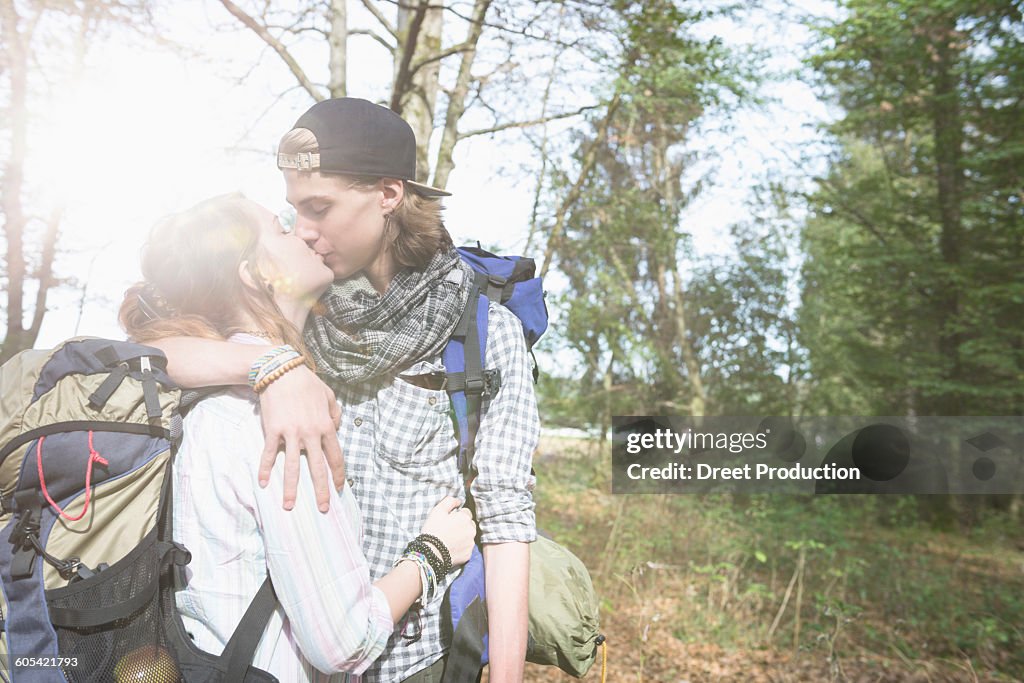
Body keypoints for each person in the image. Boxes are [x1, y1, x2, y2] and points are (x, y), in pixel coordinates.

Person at [151, 98, 539, 683]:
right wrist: (272, 367)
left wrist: (506, 675)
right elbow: (152, 353)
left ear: (387, 195)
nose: (303, 230)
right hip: (299, 659)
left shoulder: (483, 331)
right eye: (292, 211)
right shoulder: (300, 304)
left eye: (319, 207)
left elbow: (506, 515)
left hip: (417, 658)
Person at [120, 193, 477, 682]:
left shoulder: (198, 390)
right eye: (283, 228)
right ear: (257, 274)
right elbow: (343, 642)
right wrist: (433, 552)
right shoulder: (285, 420)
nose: (305, 233)